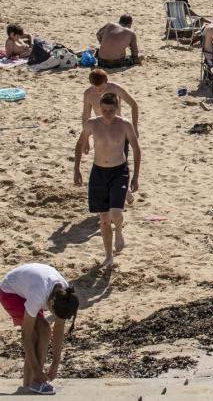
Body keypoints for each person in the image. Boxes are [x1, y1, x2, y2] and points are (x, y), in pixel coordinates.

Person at [73, 92, 141, 267]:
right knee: (104, 218)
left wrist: (136, 176)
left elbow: (136, 148)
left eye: (111, 110)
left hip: (119, 171)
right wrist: (77, 169)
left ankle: (118, 229)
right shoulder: (92, 124)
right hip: (98, 173)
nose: (107, 114)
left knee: (116, 213)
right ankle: (108, 256)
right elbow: (80, 144)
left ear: (116, 108)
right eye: (104, 110)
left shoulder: (124, 125)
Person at [0, 262, 78, 395]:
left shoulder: (65, 296)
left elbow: (58, 330)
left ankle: (29, 386)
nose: (57, 318)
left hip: (28, 287)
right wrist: (37, 369)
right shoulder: (38, 293)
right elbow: (26, 334)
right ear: (51, 304)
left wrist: (55, 362)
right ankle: (35, 383)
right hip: (10, 292)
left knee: (43, 331)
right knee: (43, 330)